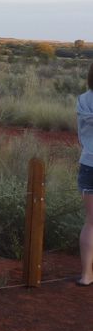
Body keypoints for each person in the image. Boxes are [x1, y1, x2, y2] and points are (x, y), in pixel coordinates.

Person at [76, 62, 93, 286]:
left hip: (89, 163)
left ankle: (86, 275)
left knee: (91, 223)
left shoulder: (83, 99)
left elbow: (79, 132)